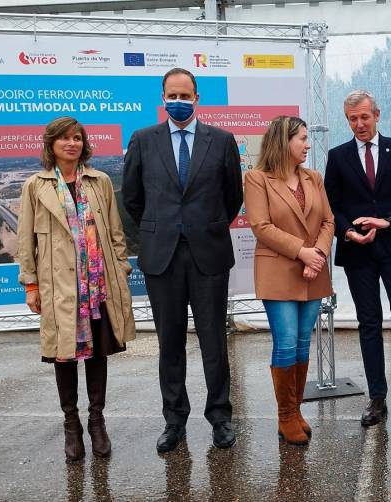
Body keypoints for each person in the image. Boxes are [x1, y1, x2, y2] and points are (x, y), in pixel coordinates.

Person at [122, 67, 243, 452]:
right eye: (171, 95)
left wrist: (203, 224)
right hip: (163, 258)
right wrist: (162, 228)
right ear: (162, 98)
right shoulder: (143, 140)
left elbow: (232, 196)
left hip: (209, 253)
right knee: (169, 342)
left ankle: (220, 417)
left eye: (185, 95)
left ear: (196, 98)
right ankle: (174, 421)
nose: (178, 101)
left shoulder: (221, 140)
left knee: (213, 341)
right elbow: (132, 198)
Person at [17, 116, 136, 463]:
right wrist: (31, 284)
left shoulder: (99, 181)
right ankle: (72, 424)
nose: (72, 143)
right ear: (51, 144)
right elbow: (26, 240)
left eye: (77, 138)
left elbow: (115, 233)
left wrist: (122, 269)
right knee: (64, 355)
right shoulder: (35, 186)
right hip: (60, 288)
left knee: (98, 352)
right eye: (65, 138)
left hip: (98, 286)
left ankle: (96, 420)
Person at [323, 89, 391, 426]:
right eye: (352, 119)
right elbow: (332, 204)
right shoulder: (338, 155)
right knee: (369, 324)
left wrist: (388, 221)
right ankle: (376, 398)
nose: (359, 124)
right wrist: (348, 232)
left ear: (377, 115)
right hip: (358, 252)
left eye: (364, 117)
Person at [243, 116, 334, 445]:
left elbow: (328, 221)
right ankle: (285, 417)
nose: (307, 144)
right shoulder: (257, 179)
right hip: (279, 271)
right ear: (284, 142)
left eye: (308, 138)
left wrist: (318, 255)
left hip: (314, 272)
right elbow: (261, 226)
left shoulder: (314, 178)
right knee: (285, 342)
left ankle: (295, 411)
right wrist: (303, 253)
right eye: (302, 139)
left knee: (302, 343)